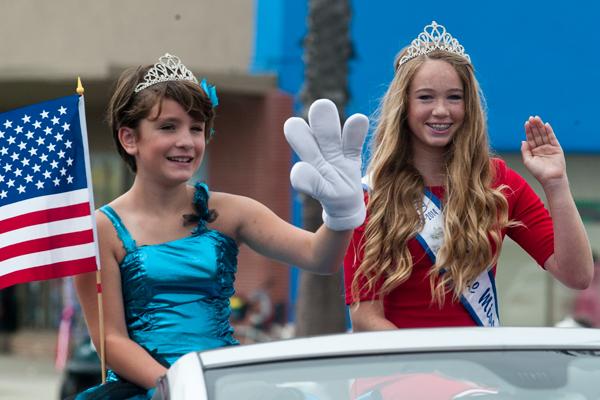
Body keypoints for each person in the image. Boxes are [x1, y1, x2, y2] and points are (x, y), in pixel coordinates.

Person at [73, 53, 369, 399]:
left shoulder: (231, 211)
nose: (187, 140)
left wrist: (340, 215)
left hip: (225, 385)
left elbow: (319, 256)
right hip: (153, 388)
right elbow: (110, 339)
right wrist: (178, 388)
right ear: (129, 138)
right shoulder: (101, 229)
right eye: (168, 126)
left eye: (196, 128)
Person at [343, 21, 593, 330]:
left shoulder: (496, 182)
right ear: (403, 106)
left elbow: (577, 275)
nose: (441, 110)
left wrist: (556, 184)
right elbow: (365, 317)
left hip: (477, 372)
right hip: (396, 369)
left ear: (469, 106)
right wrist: (431, 370)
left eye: (454, 97)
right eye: (425, 98)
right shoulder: (372, 194)